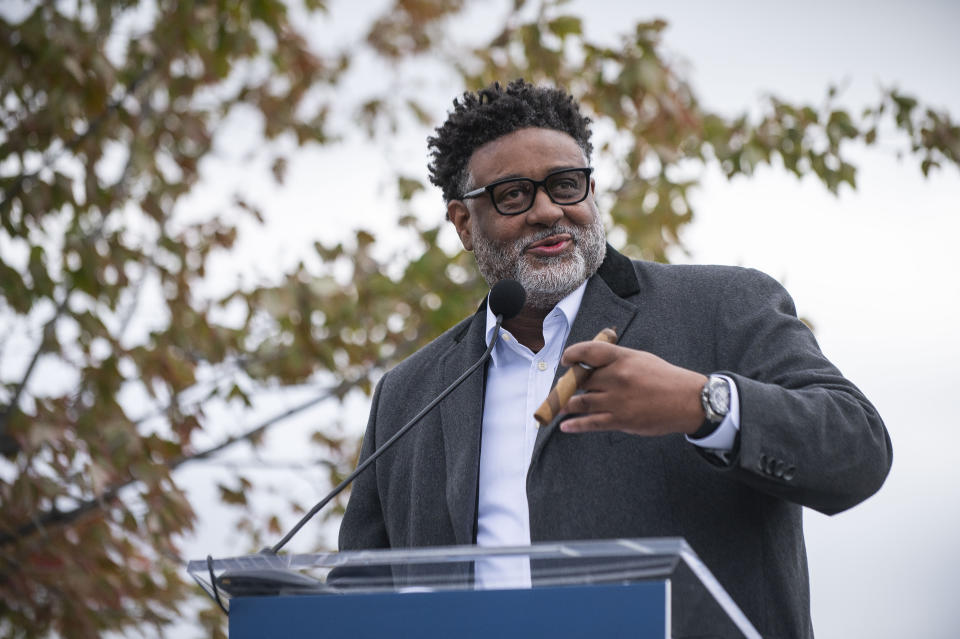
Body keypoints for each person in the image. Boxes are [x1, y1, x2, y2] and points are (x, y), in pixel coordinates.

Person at [338, 79, 892, 638]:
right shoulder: (409, 393)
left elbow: (858, 451)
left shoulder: (722, 306)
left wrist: (705, 404)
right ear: (463, 222)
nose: (548, 210)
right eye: (513, 195)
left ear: (591, 190)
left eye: (566, 185)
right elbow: (356, 596)